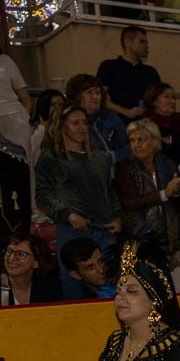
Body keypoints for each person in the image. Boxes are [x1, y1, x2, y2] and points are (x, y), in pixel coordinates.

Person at [36, 104, 120, 299]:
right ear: (61, 126)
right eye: (75, 123)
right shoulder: (51, 158)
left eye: (84, 122)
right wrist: (68, 215)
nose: (82, 127)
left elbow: (110, 191)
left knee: (113, 280)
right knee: (72, 285)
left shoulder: (100, 157)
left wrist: (117, 216)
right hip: (72, 231)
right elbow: (43, 196)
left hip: (105, 229)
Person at [115, 118, 180, 284]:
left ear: (155, 141)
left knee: (177, 292)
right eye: (132, 140)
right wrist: (165, 193)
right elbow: (130, 203)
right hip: (141, 240)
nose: (136, 144)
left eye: (141, 139)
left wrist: (177, 192)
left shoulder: (169, 164)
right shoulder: (124, 168)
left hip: (173, 240)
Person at [96, 27, 160, 123]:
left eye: (146, 42)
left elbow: (159, 100)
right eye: (142, 42)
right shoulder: (109, 67)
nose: (146, 46)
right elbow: (99, 97)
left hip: (145, 126)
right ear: (128, 42)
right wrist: (126, 112)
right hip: (116, 124)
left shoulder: (150, 72)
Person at [66, 74, 130, 162]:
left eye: (98, 92)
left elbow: (128, 147)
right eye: (89, 92)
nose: (95, 96)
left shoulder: (111, 118)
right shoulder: (70, 122)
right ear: (77, 96)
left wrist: (111, 158)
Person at [1, 229, 61, 305]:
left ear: (36, 262)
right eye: (9, 251)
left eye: (20, 254)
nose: (11, 258)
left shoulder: (50, 288)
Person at [142, 83, 180, 166]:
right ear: (154, 101)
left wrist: (170, 139)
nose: (172, 101)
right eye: (166, 97)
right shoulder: (146, 121)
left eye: (173, 98)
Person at [0, 52, 32, 168]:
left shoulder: (5, 61)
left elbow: (25, 98)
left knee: (20, 167)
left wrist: (24, 119)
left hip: (15, 121)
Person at [29, 89, 65, 174]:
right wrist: (42, 129)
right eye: (53, 105)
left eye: (61, 105)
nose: (58, 108)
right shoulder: (34, 128)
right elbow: (31, 156)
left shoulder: (66, 128)